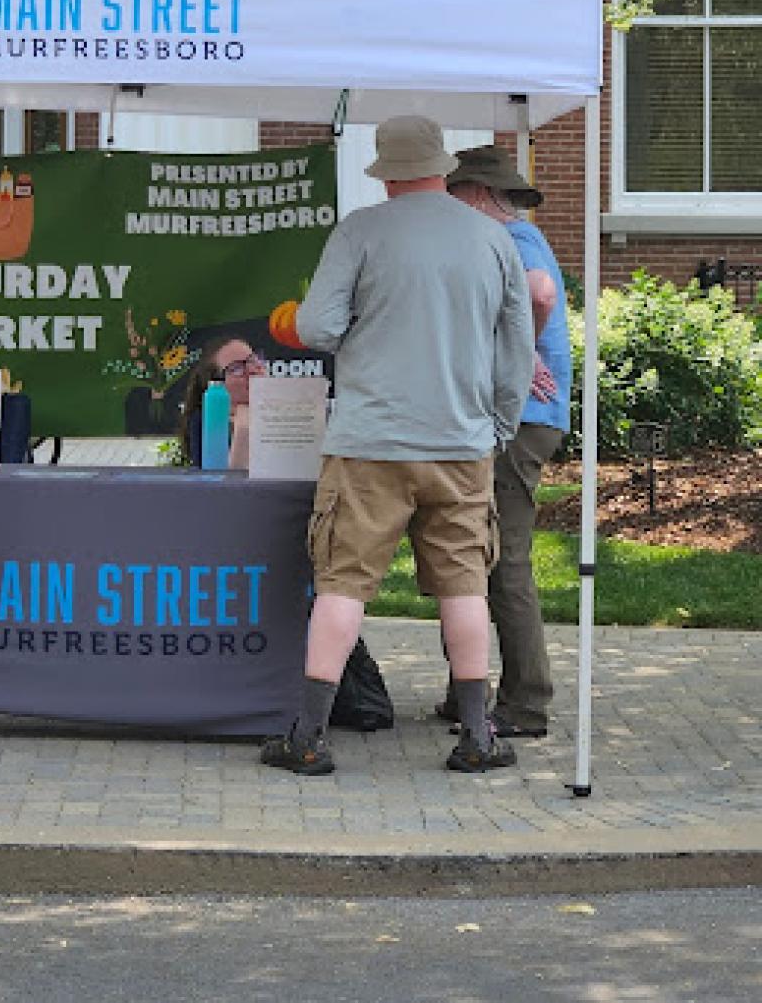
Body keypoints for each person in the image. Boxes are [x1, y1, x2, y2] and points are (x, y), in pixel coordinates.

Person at [260, 115, 534, 777]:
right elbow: (516, 351)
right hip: (461, 443)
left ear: (385, 173)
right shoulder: (495, 239)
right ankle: (477, 736)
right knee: (464, 584)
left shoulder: (359, 230)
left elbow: (320, 324)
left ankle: (309, 736)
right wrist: (497, 424)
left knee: (342, 584)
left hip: (368, 444)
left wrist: (316, 321)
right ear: (443, 167)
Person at [434, 145, 571, 739]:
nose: (450, 207)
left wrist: (517, 354)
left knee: (502, 559)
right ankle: (468, 693)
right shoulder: (517, 238)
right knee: (477, 553)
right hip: (525, 417)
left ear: (481, 195)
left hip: (519, 421)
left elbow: (537, 294)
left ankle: (526, 704)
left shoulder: (513, 242)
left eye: (455, 195)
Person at [179, 336, 264, 469]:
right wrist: (242, 431)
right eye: (236, 369)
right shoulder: (208, 421)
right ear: (218, 384)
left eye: (252, 360)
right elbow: (219, 483)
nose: (252, 370)